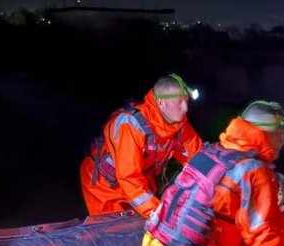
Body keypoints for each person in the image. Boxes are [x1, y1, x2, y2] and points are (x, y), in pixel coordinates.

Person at [142, 101, 284, 246]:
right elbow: (266, 230)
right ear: (266, 133)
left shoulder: (214, 152)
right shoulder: (254, 171)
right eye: (281, 133)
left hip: (161, 242)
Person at [79, 73, 204, 218]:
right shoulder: (130, 124)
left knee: (145, 227)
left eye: (187, 102)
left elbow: (199, 160)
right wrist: (160, 215)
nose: (185, 108)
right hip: (105, 186)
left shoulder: (180, 126)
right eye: (180, 102)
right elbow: (129, 177)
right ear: (161, 103)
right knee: (115, 232)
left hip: (140, 181)